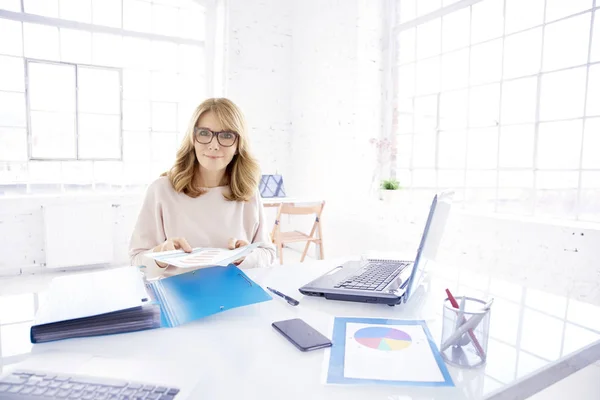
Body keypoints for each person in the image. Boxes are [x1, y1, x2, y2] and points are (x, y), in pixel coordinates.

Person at [129, 98, 276, 277]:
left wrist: (246, 257)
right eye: (204, 133)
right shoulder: (161, 190)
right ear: (193, 139)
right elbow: (137, 263)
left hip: (233, 293)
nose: (214, 145)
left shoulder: (248, 192)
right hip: (178, 296)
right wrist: (160, 256)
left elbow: (268, 254)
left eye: (227, 135)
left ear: (238, 145)